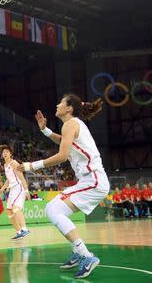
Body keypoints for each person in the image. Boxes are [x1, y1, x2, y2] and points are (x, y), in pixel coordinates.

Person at [19, 95, 109, 279]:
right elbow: (63, 141)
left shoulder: (70, 124)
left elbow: (62, 155)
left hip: (93, 180)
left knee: (52, 209)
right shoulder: (72, 125)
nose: (57, 104)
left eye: (61, 102)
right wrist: (45, 130)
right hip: (91, 181)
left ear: (69, 108)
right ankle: (79, 252)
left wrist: (30, 166)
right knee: (56, 210)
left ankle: (86, 255)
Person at [0, 145, 31, 240]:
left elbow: (21, 177)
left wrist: (26, 191)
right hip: (12, 189)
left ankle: (25, 229)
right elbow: (8, 180)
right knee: (9, 211)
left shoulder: (14, 163)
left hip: (19, 187)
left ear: (10, 154)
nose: (5, 153)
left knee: (15, 208)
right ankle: (19, 232)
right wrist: (2, 189)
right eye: (3, 152)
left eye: (7, 152)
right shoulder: (5, 165)